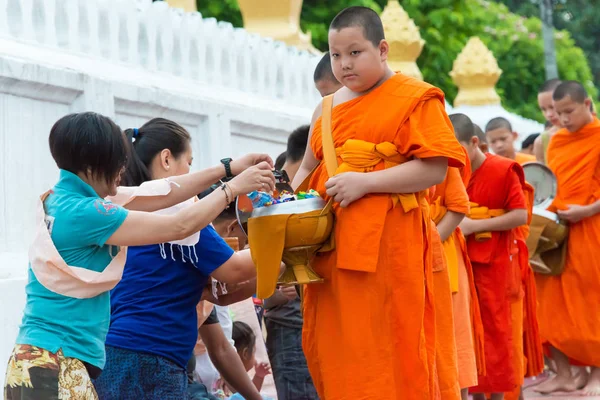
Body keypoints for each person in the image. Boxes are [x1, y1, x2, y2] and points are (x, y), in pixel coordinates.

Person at [3, 113, 273, 400]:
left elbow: (163, 193)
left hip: (42, 359)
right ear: (94, 163)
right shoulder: (86, 212)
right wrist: (232, 188)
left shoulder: (65, 199)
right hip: (56, 363)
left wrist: (228, 168)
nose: (124, 169)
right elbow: (178, 225)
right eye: (118, 160)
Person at [291, 7, 466, 399]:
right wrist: (280, 207)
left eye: (355, 52)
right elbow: (307, 166)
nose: (344, 64)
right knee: (338, 350)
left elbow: (434, 170)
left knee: (396, 346)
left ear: (382, 49)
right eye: (336, 55)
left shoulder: (415, 98)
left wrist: (366, 184)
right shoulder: (327, 108)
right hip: (333, 251)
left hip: (394, 248)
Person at [92, 118, 272, 400]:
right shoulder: (182, 214)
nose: (192, 172)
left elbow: (221, 294)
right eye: (189, 162)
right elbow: (235, 271)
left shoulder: (130, 213)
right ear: (166, 159)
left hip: (116, 354)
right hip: (153, 358)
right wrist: (288, 239)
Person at [452, 113, 528, 400]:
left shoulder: (503, 169)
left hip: (495, 266)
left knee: (496, 334)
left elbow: (520, 215)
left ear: (475, 143)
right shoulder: (447, 172)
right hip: (462, 264)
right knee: (468, 334)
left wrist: (476, 225)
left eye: (458, 149)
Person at [534, 81, 600, 395]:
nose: (562, 119)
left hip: (592, 228)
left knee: (592, 302)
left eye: (568, 112)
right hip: (558, 230)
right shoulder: (556, 142)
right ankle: (563, 372)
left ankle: (597, 375)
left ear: (588, 104)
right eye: (557, 113)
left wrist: (588, 210)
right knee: (550, 304)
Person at [428, 144, 483, 400]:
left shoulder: (440, 153)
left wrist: (429, 245)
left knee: (452, 335)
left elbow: (459, 206)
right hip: (403, 256)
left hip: (442, 251)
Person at [533, 79, 563, 164]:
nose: (549, 114)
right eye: (543, 109)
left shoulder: (587, 132)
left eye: (552, 107)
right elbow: (544, 175)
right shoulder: (542, 142)